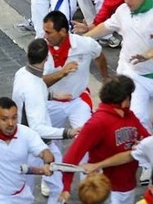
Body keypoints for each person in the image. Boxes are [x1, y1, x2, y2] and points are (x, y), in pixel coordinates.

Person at [59, 76, 150, 204]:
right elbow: (71, 157)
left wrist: (141, 144)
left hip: (127, 186)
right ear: (125, 99)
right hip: (106, 191)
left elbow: (147, 140)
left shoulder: (129, 116)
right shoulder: (97, 122)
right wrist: (66, 187)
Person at [12, 38, 81, 202]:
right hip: (37, 146)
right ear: (46, 58)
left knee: (24, 189)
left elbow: (29, 95)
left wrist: (52, 95)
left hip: (22, 140)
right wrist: (68, 132)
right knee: (55, 187)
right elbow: (38, 128)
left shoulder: (22, 73)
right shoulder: (34, 87)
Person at [83, 0, 153, 131]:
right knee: (139, 118)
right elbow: (107, 27)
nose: (126, 0)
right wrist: (82, 39)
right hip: (135, 76)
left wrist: (149, 54)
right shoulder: (123, 11)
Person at [42, 11, 108, 127]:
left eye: (48, 33)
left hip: (78, 100)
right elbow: (38, 83)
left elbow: (99, 55)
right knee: (46, 141)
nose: (45, 36)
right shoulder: (40, 50)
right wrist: (62, 73)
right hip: (50, 103)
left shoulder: (85, 44)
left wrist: (105, 78)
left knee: (87, 140)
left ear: (62, 32)